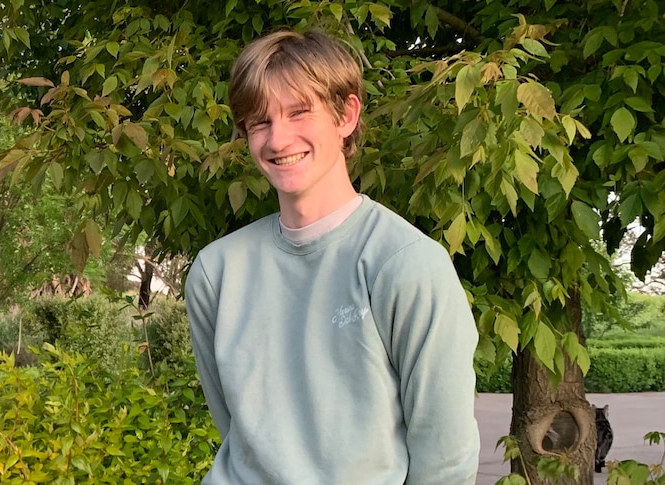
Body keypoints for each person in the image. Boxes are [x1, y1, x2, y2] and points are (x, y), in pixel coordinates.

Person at [185, 29, 480, 484]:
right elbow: (236, 429)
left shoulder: (406, 265)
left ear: (346, 114)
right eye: (260, 122)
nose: (278, 140)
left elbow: (445, 460)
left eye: (299, 112)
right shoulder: (215, 273)